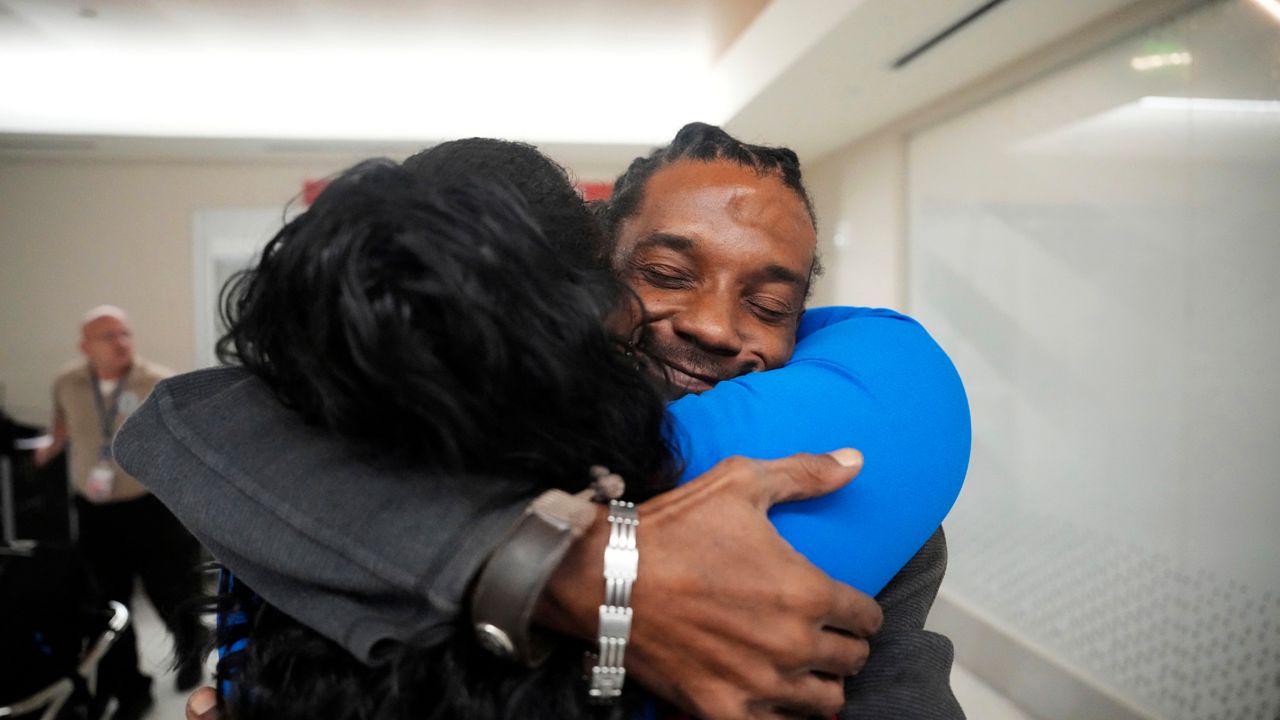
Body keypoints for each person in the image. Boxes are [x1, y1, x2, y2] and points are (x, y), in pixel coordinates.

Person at [119, 129, 968, 719]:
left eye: (770, 302)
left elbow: (898, 691)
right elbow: (189, 421)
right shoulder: (330, 459)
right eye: (667, 272)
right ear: (592, 284)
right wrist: (574, 568)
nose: (714, 325)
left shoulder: (841, 475)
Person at [36, 305, 208, 720]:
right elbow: (62, 426)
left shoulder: (159, 382)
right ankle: (131, 688)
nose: (121, 343)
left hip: (151, 507)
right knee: (108, 601)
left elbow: (188, 440)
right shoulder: (67, 382)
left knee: (172, 591)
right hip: (96, 512)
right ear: (85, 346)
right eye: (109, 336)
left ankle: (191, 650)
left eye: (125, 334)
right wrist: (49, 448)